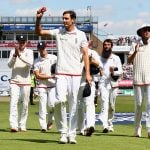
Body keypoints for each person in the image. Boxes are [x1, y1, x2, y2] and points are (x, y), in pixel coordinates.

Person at [35, 9, 91, 144]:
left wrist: (88, 73)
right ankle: (62, 132)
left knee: (73, 104)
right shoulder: (58, 32)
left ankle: (71, 134)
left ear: (73, 20)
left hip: (76, 74)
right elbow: (39, 32)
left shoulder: (81, 34)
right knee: (60, 101)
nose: (64, 21)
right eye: (63, 18)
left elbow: (85, 54)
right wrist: (38, 19)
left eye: (66, 18)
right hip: (61, 73)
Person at [128, 23, 150, 138]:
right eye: (144, 30)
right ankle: (137, 129)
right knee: (139, 105)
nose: (146, 32)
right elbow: (128, 61)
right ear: (140, 32)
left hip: (149, 79)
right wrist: (136, 51)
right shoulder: (134, 44)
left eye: (148, 30)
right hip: (138, 79)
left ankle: (149, 129)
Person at [8, 35, 33, 132]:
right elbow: (9, 65)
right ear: (17, 42)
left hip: (26, 82)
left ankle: (22, 124)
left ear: (26, 42)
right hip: (14, 81)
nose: (21, 44)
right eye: (20, 42)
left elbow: (30, 63)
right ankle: (13, 125)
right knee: (13, 103)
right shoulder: (12, 51)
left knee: (25, 104)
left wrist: (20, 55)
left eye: (23, 42)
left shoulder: (29, 52)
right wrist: (14, 56)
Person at [98, 39, 122, 133]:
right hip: (102, 83)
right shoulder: (99, 58)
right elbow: (96, 71)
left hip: (113, 83)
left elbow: (120, 71)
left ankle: (110, 123)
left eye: (108, 45)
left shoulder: (116, 58)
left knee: (111, 105)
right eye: (105, 45)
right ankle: (105, 125)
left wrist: (113, 72)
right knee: (104, 103)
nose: (106, 46)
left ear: (111, 46)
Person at [34, 41, 57, 132]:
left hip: (52, 85)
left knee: (52, 105)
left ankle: (50, 121)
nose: (42, 50)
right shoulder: (36, 61)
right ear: (38, 50)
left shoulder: (54, 58)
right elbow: (38, 75)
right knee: (42, 106)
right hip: (42, 86)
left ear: (45, 48)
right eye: (40, 49)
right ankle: (43, 126)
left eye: (43, 48)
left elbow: (60, 67)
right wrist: (50, 76)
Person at [77, 48, 100, 136]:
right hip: (77, 81)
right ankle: (81, 128)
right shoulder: (74, 51)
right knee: (79, 106)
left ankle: (90, 126)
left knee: (90, 104)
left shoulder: (92, 52)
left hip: (89, 81)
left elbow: (98, 64)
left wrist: (90, 60)